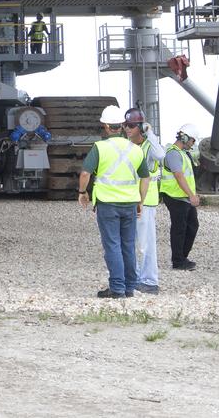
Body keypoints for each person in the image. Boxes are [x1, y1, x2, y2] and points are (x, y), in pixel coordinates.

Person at [78, 105, 150, 298]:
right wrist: (140, 201)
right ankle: (129, 287)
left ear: (106, 126)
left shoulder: (99, 147)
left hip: (107, 204)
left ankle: (117, 288)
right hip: (130, 203)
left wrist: (82, 192)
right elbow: (145, 178)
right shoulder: (136, 149)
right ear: (122, 126)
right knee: (128, 245)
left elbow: (85, 173)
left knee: (112, 245)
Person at [123, 110, 165, 294]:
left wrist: (150, 133)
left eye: (132, 125)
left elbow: (160, 155)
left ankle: (149, 281)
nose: (127, 129)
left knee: (144, 244)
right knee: (134, 242)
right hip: (132, 199)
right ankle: (138, 278)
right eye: (126, 125)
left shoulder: (149, 146)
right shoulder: (128, 146)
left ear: (140, 127)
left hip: (146, 202)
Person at [161, 124, 202, 271]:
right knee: (179, 228)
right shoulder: (173, 153)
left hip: (184, 196)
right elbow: (178, 175)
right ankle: (178, 261)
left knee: (192, 226)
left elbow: (187, 176)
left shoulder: (183, 153)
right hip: (176, 197)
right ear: (185, 138)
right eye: (192, 141)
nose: (193, 144)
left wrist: (191, 194)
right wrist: (191, 195)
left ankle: (182, 258)